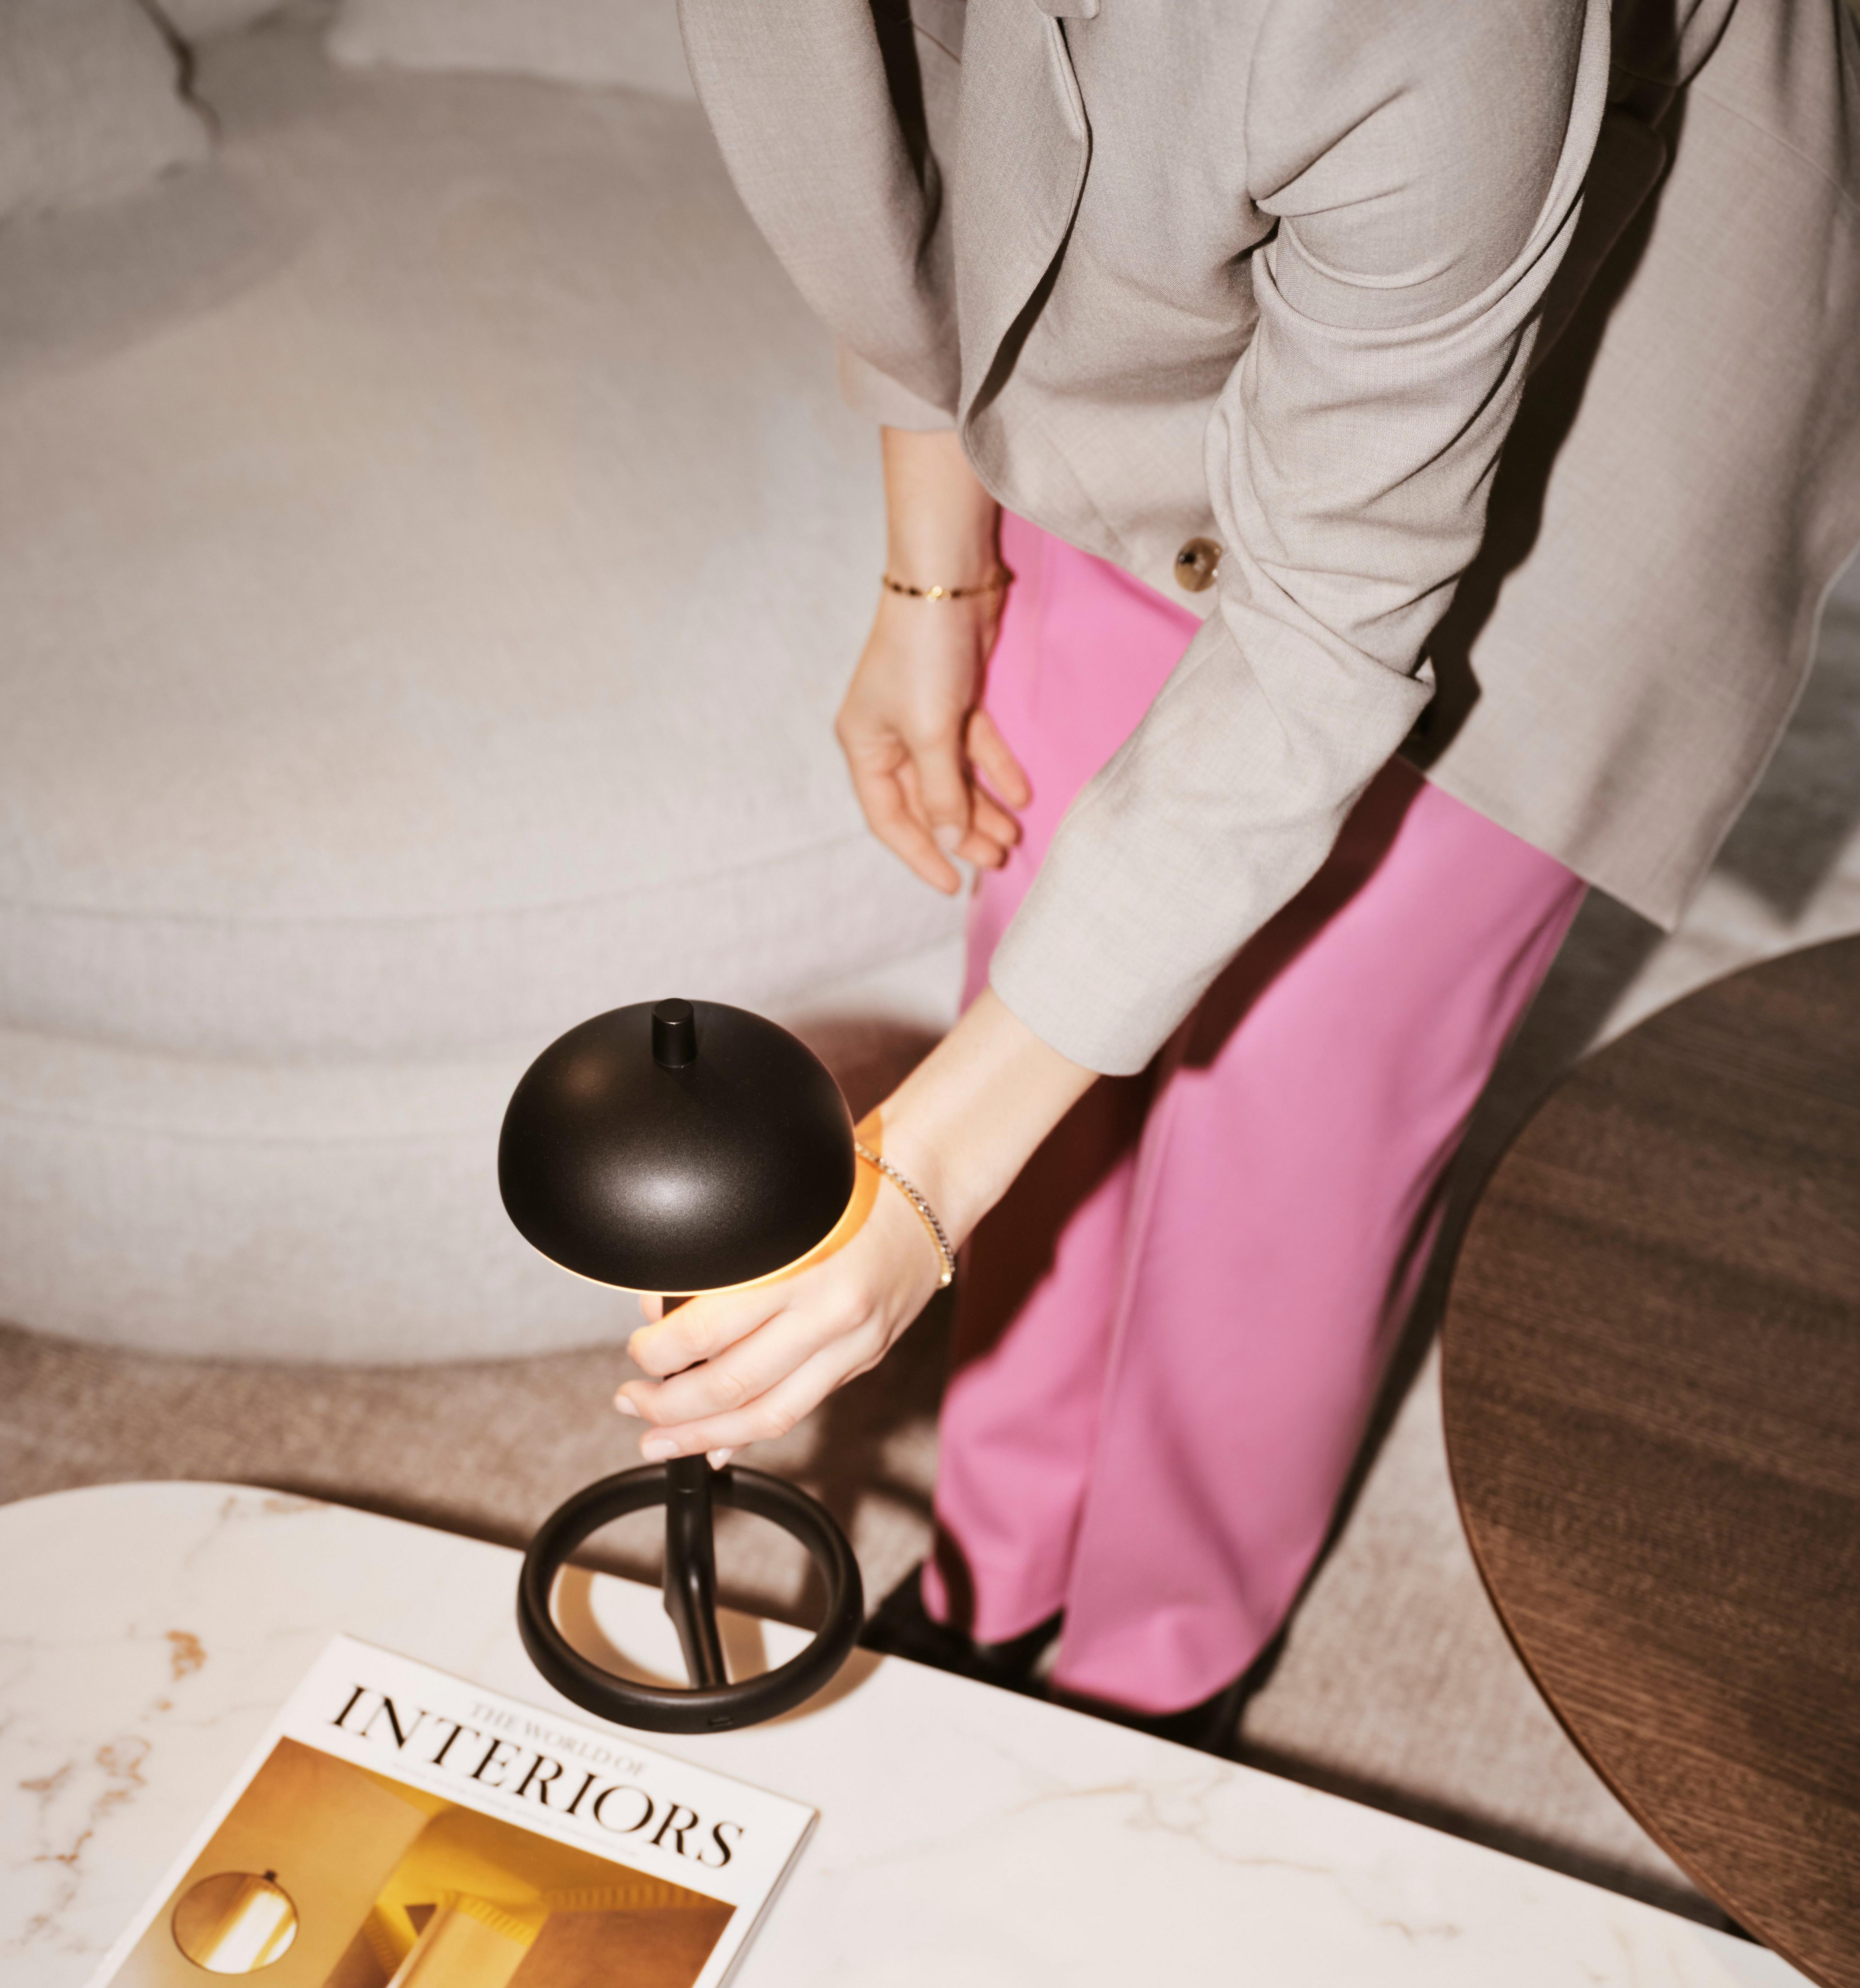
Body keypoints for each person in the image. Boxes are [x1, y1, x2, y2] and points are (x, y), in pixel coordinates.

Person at [617, 0, 1860, 1722]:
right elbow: (894, 132)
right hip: (1168, 324)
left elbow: (1335, 618)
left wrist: (915, 1190)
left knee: (1294, 1130)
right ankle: (995, 1571)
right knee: (1043, 978)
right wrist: (940, 568)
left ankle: (1157, 1669)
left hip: (1571, 395)